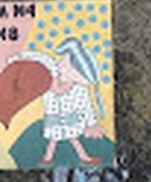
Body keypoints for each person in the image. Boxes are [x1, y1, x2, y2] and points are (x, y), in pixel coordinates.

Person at [39, 37, 106, 166]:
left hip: (71, 119)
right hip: (55, 118)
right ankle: (48, 157)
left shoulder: (80, 90)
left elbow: (88, 107)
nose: (59, 66)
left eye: (64, 64)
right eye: (61, 62)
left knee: (73, 138)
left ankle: (84, 157)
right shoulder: (53, 83)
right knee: (54, 139)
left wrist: (92, 124)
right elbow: (45, 94)